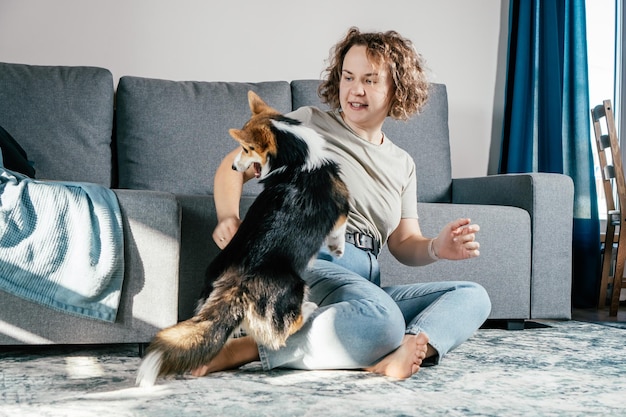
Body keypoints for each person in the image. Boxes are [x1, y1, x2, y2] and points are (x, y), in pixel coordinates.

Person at [192, 27, 491, 379]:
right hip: (308, 262)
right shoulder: (308, 125)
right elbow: (233, 167)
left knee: (472, 295)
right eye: (348, 77)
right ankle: (245, 350)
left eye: (370, 79)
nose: (356, 89)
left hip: (364, 283)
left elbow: (404, 244)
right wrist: (228, 215)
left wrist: (437, 247)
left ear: (397, 89)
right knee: (382, 319)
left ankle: (398, 347)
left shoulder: (403, 163)